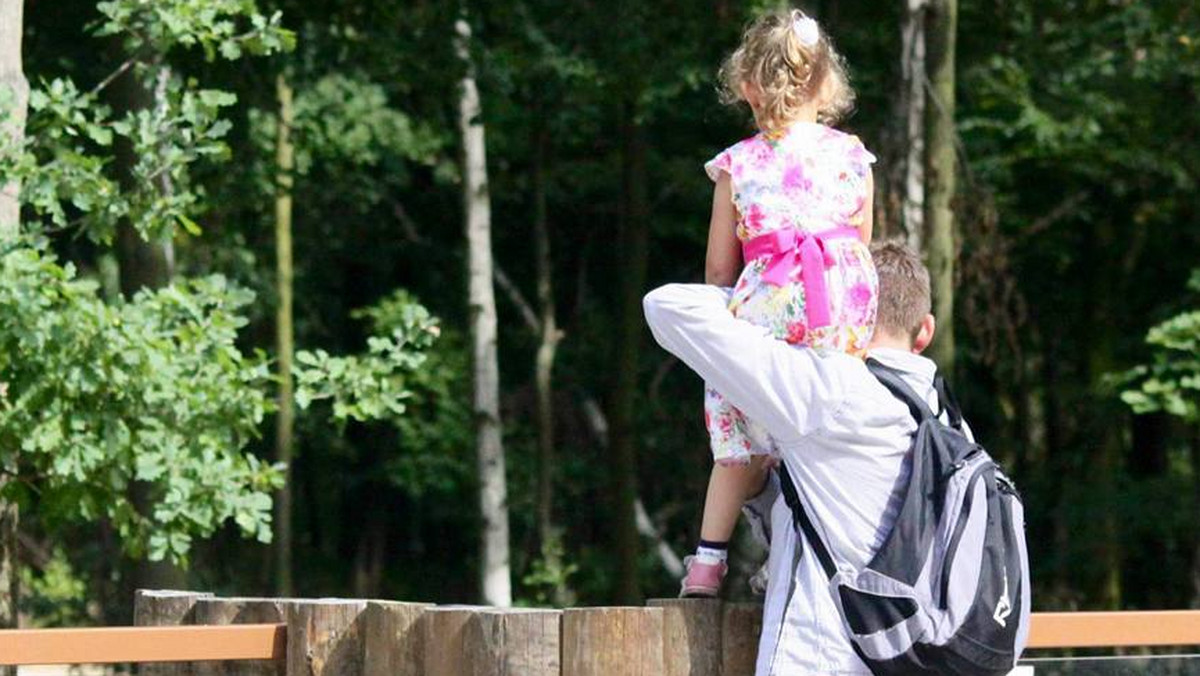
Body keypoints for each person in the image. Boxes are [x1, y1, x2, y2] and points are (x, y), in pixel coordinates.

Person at [644, 241, 969, 675]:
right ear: (925, 331)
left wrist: (779, 296)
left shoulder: (828, 391)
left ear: (841, 305)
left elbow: (667, 305)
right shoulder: (951, 423)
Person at [685, 8, 879, 597]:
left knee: (740, 435)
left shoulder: (736, 165)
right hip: (841, 310)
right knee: (815, 437)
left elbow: (721, 268)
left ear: (746, 87)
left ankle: (706, 565)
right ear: (826, 86)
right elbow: (862, 245)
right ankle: (800, 559)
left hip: (773, 304)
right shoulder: (853, 157)